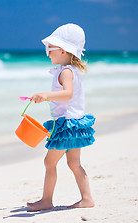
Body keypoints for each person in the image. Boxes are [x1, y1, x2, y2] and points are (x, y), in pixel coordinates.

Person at [27, 23, 95, 211]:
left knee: (49, 162)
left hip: (66, 125)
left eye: (50, 48)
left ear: (63, 51)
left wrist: (46, 95)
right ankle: (87, 198)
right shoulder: (71, 70)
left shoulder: (65, 72)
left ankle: (47, 200)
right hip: (75, 124)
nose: (47, 53)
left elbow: (68, 94)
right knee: (74, 163)